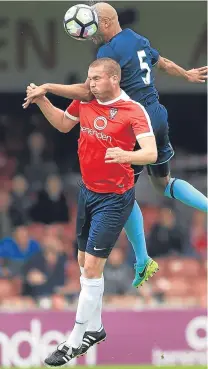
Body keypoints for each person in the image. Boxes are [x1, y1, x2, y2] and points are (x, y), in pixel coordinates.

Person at [23, 2, 208, 289]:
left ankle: (143, 260)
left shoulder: (107, 52)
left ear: (107, 22)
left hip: (133, 121)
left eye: (95, 24)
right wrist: (186, 74)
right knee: (163, 183)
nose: (92, 32)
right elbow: (161, 63)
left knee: (122, 193)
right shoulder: (137, 39)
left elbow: (87, 91)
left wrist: (48, 88)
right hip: (156, 115)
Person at [26, 58, 158, 366]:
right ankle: (96, 328)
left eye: (96, 78)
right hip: (88, 193)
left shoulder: (132, 111)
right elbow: (62, 124)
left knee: (92, 270)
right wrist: (42, 99)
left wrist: (126, 154)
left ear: (114, 79)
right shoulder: (85, 101)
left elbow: (150, 153)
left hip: (115, 197)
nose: (91, 83)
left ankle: (73, 342)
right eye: (89, 78)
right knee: (84, 262)